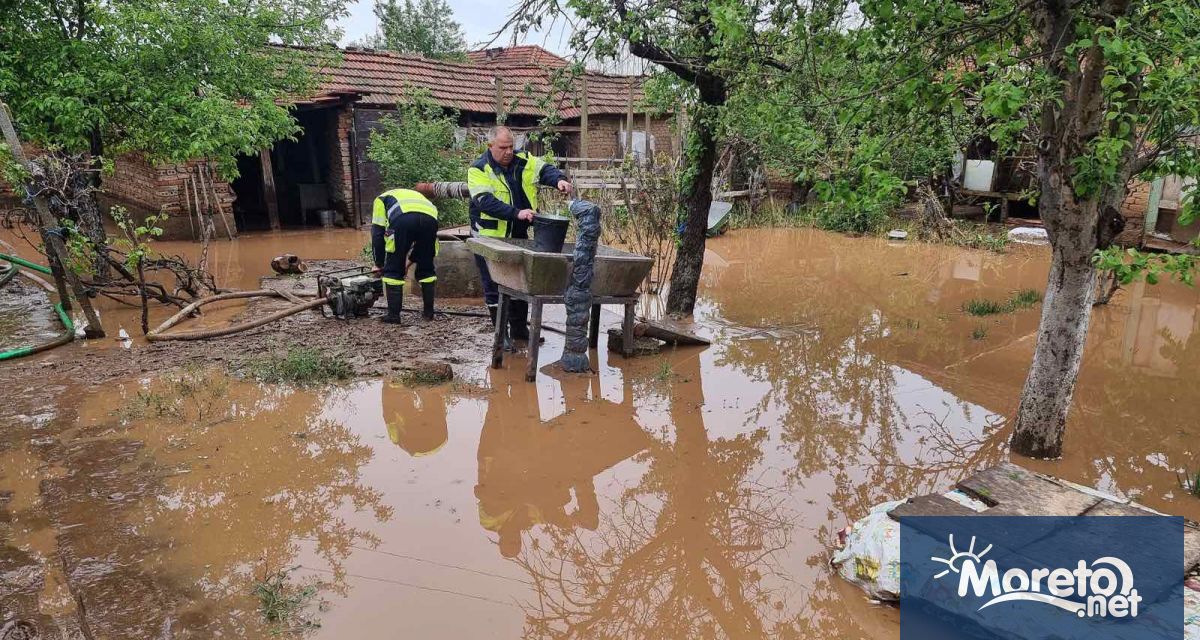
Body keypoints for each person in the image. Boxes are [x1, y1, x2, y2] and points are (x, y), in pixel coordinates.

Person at [467, 126, 572, 341]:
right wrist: (517, 213)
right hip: (489, 237)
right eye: (503, 147)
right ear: (490, 146)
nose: (508, 152)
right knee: (494, 285)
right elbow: (485, 202)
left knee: (521, 281)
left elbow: (545, 170)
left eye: (511, 147)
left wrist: (558, 180)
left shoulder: (524, 160)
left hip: (518, 235)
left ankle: (519, 330)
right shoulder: (479, 169)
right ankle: (501, 335)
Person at [370, 187, 439, 324]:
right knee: (426, 269)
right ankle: (428, 313)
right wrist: (409, 261)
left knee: (393, 271)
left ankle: (393, 316)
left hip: (402, 219)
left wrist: (379, 264)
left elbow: (377, 234)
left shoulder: (381, 199)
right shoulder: (419, 198)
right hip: (430, 220)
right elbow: (422, 248)